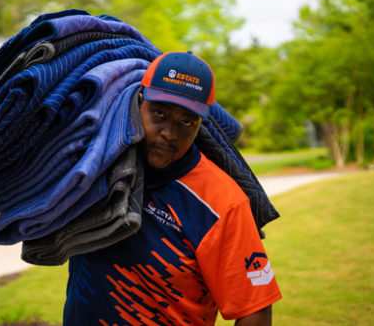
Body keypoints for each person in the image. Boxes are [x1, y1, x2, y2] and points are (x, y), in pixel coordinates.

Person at [63, 52, 281, 325]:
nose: (169, 132)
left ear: (202, 124)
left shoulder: (221, 202)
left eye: (186, 121)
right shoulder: (97, 163)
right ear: (139, 101)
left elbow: (255, 309)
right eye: (160, 113)